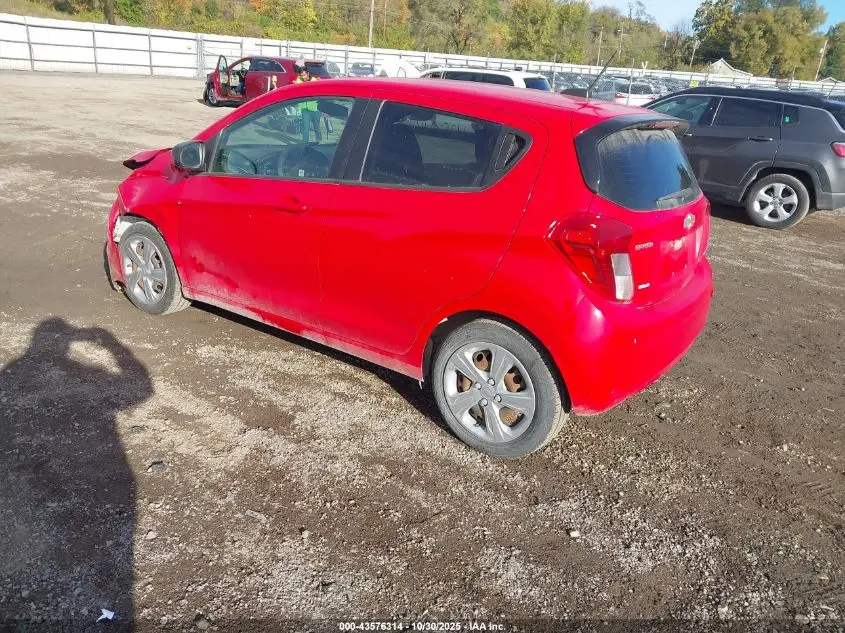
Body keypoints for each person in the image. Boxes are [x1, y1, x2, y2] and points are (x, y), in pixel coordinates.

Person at [294, 64, 321, 143]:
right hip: (304, 109)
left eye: (304, 75)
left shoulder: (315, 81)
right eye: (301, 75)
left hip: (315, 108)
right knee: (305, 128)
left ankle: (318, 141)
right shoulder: (298, 79)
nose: (302, 77)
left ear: (308, 73)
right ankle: (305, 144)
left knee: (317, 127)